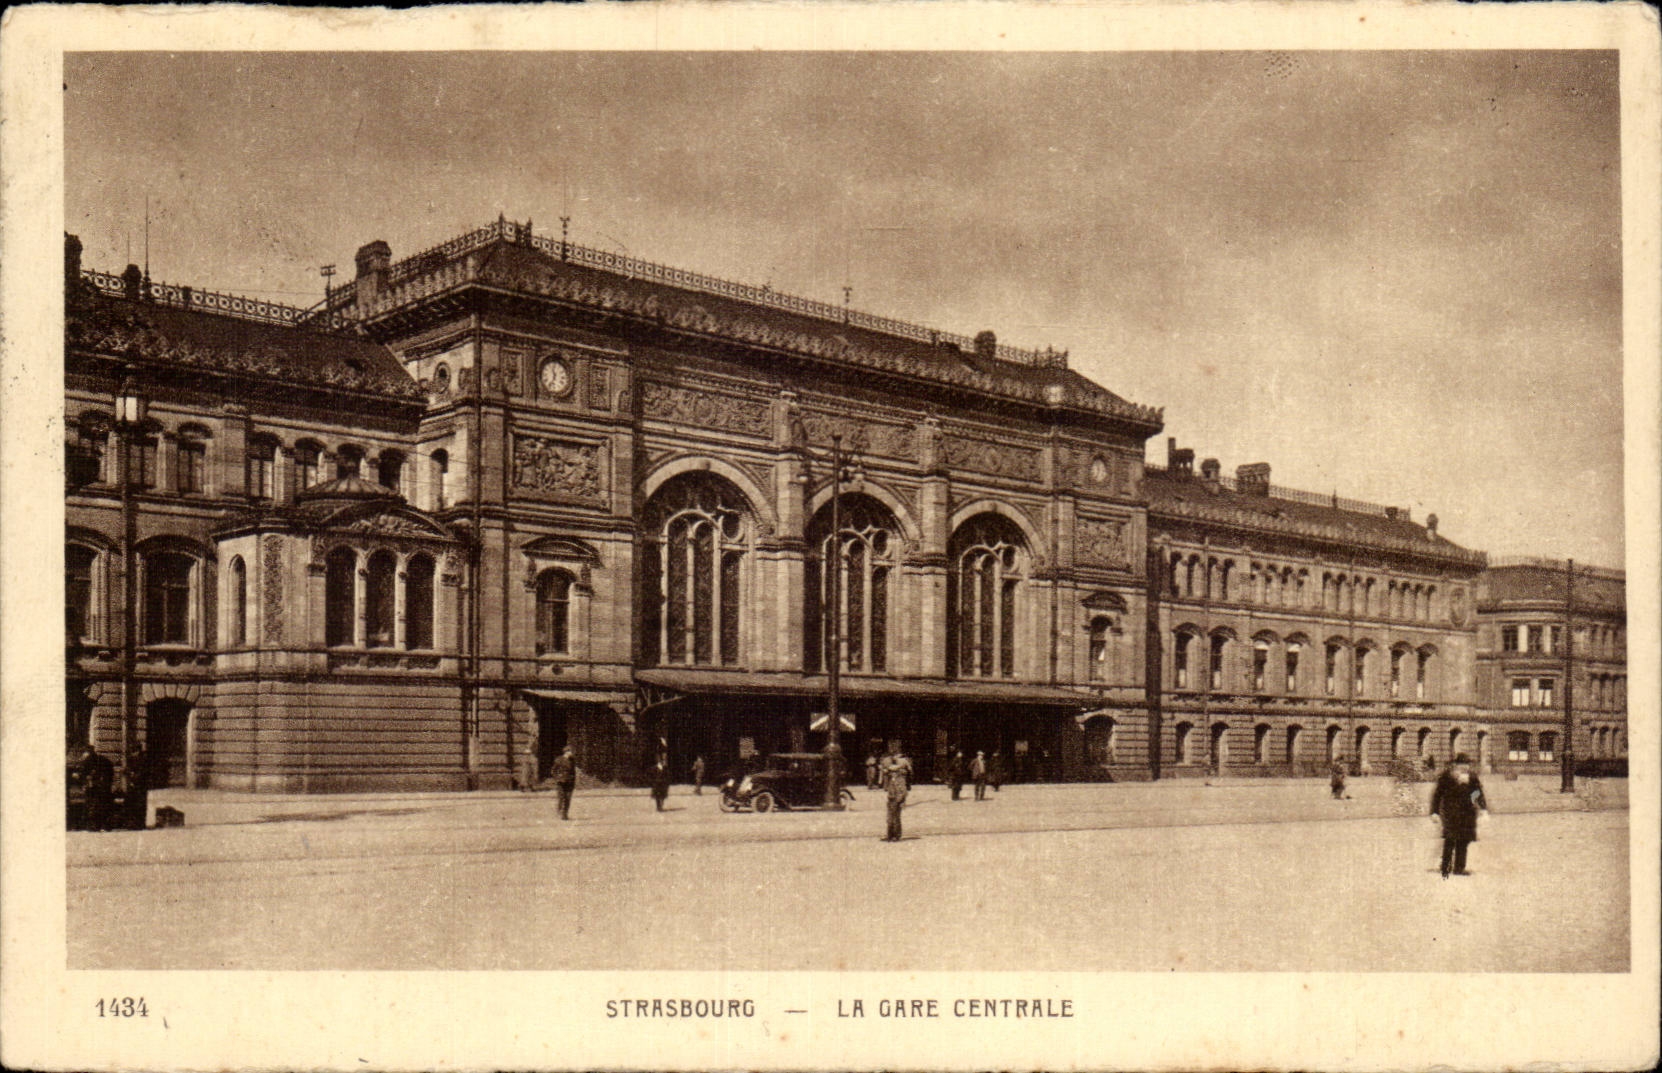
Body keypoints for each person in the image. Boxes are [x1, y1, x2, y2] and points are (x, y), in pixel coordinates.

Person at [1429, 753, 1488, 878]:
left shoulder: (1472, 777)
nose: (1464, 767)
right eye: (1462, 764)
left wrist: (1482, 807)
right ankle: (1445, 866)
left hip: (1467, 813)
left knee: (1463, 840)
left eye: (1466, 764)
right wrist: (1434, 811)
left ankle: (1459, 868)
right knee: (1450, 839)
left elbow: (1477, 793)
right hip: (1451, 813)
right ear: (1456, 765)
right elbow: (1438, 795)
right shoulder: (1447, 777)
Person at [67, 740, 114, 831]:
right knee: (101, 806)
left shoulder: (89, 760)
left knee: (93, 806)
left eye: (85, 753)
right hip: (102, 787)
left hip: (95, 787)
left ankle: (94, 826)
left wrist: (79, 777)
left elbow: (85, 773)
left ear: (87, 752)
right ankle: (104, 826)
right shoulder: (101, 759)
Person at [880, 745, 914, 842]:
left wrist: (901, 799)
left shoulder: (901, 778)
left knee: (895, 817)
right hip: (892, 797)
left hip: (897, 797)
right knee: (890, 817)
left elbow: (903, 790)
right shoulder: (894, 778)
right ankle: (890, 835)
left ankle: (896, 835)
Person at [551, 745, 577, 820]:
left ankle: (565, 815)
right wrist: (557, 778)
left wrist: (573, 781)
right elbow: (553, 770)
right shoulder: (559, 760)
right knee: (561, 798)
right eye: (571, 751)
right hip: (561, 782)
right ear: (566, 752)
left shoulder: (572, 760)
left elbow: (573, 772)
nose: (572, 753)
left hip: (570, 782)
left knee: (568, 798)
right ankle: (559, 812)